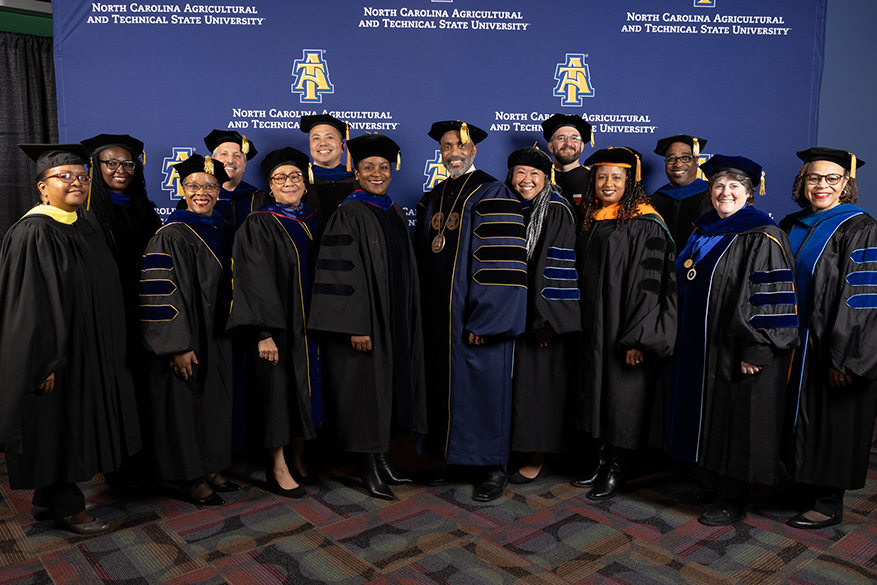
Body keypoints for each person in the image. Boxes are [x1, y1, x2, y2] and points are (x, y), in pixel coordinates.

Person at [0, 143, 141, 534]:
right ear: (42, 187)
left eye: (82, 176)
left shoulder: (83, 224)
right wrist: (41, 361)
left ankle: (46, 498)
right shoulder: (34, 232)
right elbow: (27, 306)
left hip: (85, 349)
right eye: (64, 176)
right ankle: (69, 507)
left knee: (68, 422)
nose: (76, 182)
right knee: (58, 423)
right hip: (55, 355)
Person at [665, 155, 799, 526]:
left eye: (735, 186)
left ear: (749, 193)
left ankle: (733, 496)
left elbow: (769, 296)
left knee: (735, 419)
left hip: (737, 347)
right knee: (706, 413)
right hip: (700, 343)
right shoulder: (703, 230)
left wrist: (756, 347)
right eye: (719, 186)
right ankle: (708, 481)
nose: (725, 192)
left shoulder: (762, 235)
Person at [414, 120, 527, 502]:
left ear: (474, 150)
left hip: (475, 318)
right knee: (448, 390)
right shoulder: (435, 195)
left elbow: (501, 263)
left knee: (484, 389)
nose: (453, 153)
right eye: (447, 147)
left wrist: (487, 319)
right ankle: (457, 460)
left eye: (460, 146)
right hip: (440, 321)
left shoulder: (493, 192)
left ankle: (494, 467)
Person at [309, 133, 427, 501]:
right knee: (364, 392)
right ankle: (366, 465)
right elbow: (341, 276)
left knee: (385, 390)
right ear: (356, 173)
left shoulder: (392, 210)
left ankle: (381, 457)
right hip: (365, 325)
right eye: (368, 167)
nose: (377, 173)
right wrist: (356, 326)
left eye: (384, 167)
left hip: (393, 320)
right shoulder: (349, 213)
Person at [572, 147, 677, 501]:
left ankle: (618, 470)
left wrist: (638, 338)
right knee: (597, 392)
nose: (608, 183)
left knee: (622, 396)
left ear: (630, 182)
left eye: (617, 177)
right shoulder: (591, 218)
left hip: (624, 329)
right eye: (601, 176)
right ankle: (601, 461)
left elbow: (651, 287)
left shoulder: (646, 223)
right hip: (593, 327)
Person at [780, 147, 876, 529]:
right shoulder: (793, 223)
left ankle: (828, 502)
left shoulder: (859, 227)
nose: (822, 185)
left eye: (832, 178)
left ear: (846, 184)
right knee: (801, 418)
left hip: (832, 344)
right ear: (802, 182)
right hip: (796, 343)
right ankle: (803, 485)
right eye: (813, 177)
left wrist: (844, 357)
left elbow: (862, 298)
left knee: (832, 419)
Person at [226, 147, 324, 499]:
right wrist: (262, 333)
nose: (289, 183)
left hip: (308, 327)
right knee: (276, 396)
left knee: (301, 391)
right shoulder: (260, 223)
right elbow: (252, 280)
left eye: (295, 176)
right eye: (280, 178)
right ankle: (277, 466)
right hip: (276, 329)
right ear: (269, 186)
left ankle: (298, 456)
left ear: (305, 182)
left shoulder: (312, 220)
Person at [139, 154, 235, 506]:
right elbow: (159, 293)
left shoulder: (220, 228)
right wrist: (176, 345)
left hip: (216, 334)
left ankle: (209, 466)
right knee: (184, 405)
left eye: (210, 186)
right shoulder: (171, 234)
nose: (201, 193)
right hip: (186, 337)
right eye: (194, 186)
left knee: (211, 402)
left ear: (219, 191)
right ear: (181, 189)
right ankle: (189, 477)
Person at [79, 133, 162, 486]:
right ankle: (121, 471)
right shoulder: (88, 214)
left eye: (128, 163)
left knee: (148, 388)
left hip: (148, 312)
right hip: (112, 315)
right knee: (120, 389)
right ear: (95, 166)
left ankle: (152, 464)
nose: (120, 170)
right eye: (110, 163)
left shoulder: (144, 208)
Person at [503, 147, 581, 485]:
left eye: (534, 174)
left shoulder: (556, 209)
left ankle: (538, 455)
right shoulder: (506, 205)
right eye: (520, 173)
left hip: (541, 318)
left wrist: (544, 320)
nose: (527, 180)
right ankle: (516, 448)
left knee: (539, 389)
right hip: (511, 315)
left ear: (545, 177)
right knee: (518, 387)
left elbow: (556, 266)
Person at [650, 134, 711, 252]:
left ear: (697, 161)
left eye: (686, 157)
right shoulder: (655, 199)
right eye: (671, 159)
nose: (678, 164)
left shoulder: (712, 197)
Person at [201, 129, 269, 229]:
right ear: (212, 161)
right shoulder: (199, 198)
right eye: (224, 154)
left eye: (237, 156)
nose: (230, 160)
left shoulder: (260, 198)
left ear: (244, 165)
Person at [299, 114, 357, 222]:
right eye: (316, 138)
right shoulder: (300, 182)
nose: (323, 143)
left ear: (342, 146)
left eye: (330, 137)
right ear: (310, 145)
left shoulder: (358, 180)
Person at [541, 114, 592, 209]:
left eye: (574, 138)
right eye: (561, 138)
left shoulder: (593, 180)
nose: (568, 143)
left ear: (581, 147)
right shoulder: (541, 180)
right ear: (551, 147)